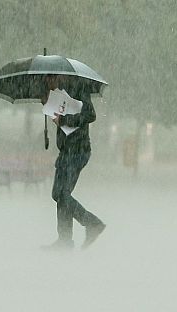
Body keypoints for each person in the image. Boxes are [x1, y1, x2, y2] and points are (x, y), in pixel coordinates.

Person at [41, 74, 106, 250]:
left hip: (78, 150)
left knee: (62, 194)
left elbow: (90, 115)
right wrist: (48, 105)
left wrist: (64, 120)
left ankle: (90, 224)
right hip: (66, 151)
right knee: (58, 194)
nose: (48, 83)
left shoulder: (78, 88)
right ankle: (65, 239)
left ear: (59, 76)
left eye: (49, 79)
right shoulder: (55, 94)